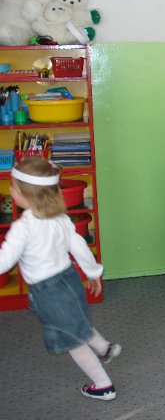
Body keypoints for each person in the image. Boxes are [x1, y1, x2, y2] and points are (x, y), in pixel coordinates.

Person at [0, 158, 121, 401]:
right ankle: (104, 348)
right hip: (69, 280)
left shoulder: (22, 228)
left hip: (48, 292)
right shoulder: (61, 218)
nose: (10, 190)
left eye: (13, 187)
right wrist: (93, 273)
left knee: (72, 341)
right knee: (76, 321)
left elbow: (4, 261)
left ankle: (103, 386)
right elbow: (79, 246)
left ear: (26, 194)